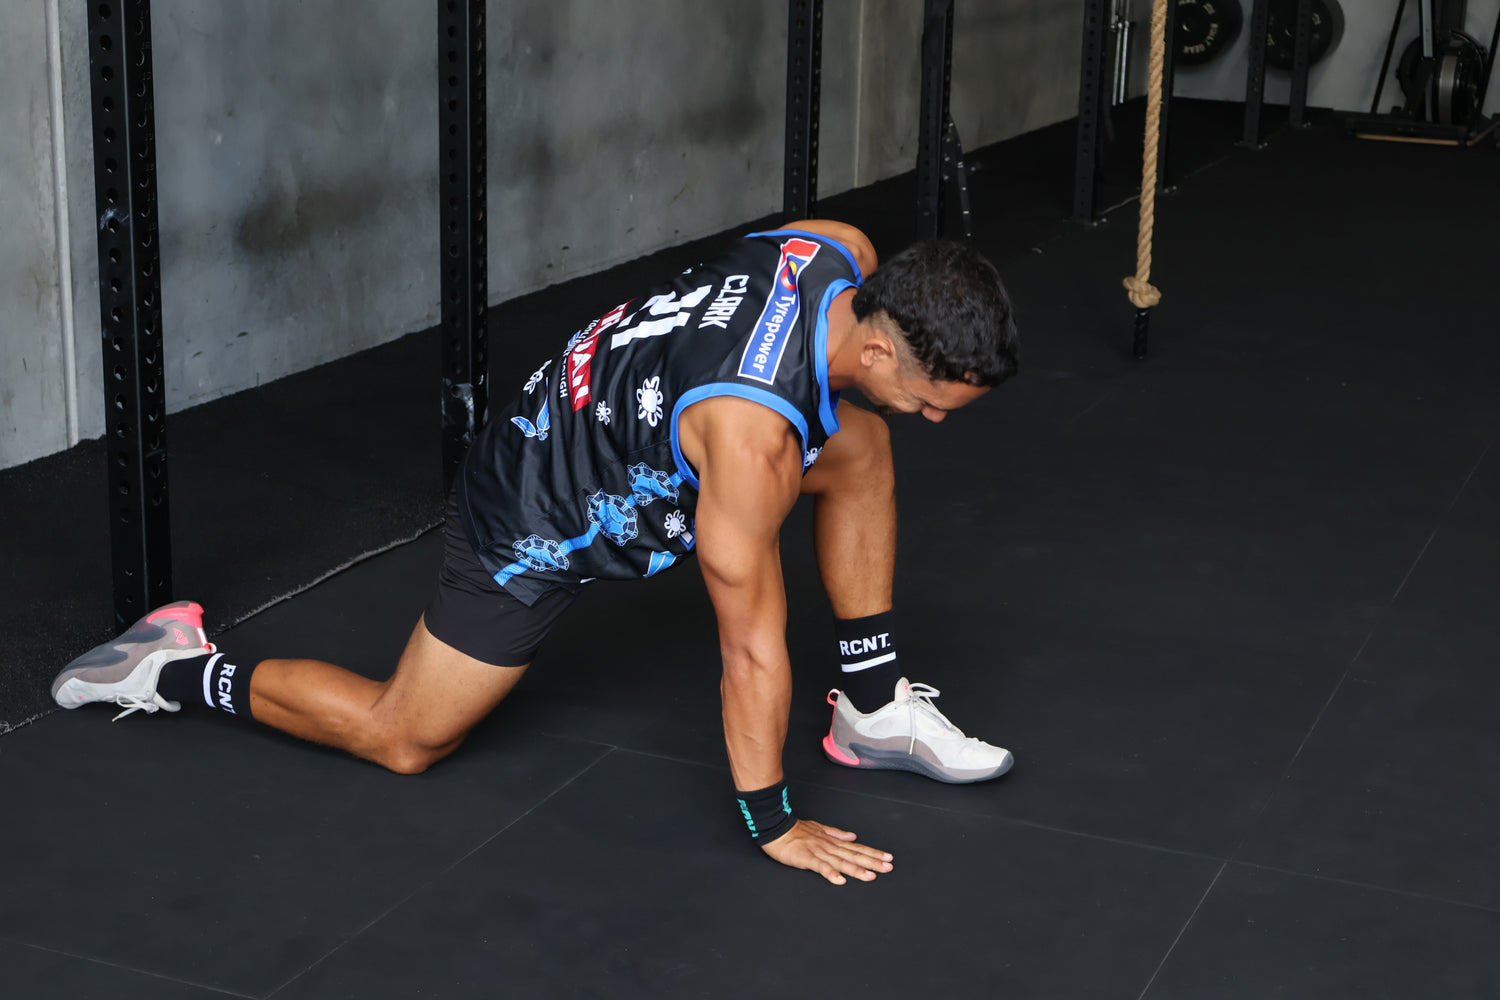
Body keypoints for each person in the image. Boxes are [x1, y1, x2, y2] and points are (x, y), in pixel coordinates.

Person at [53, 220, 1020, 886]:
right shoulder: (750, 440)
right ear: (886, 350)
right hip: (535, 511)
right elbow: (751, 651)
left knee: (861, 445)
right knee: (406, 738)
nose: (937, 418)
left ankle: (873, 705)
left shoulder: (837, 251)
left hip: (620, 415)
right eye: (935, 398)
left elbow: (741, 301)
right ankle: (176, 668)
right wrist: (772, 823)